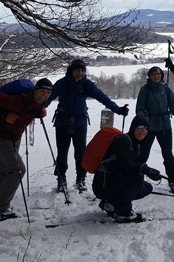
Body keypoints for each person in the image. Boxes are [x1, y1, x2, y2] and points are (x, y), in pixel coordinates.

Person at [47, 59, 130, 193]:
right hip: (62, 123)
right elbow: (48, 97)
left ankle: (81, 178)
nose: (80, 73)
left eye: (82, 70)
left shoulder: (86, 84)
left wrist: (118, 109)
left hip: (80, 123)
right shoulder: (62, 83)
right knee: (62, 153)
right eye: (77, 70)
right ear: (71, 71)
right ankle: (61, 178)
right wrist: (39, 108)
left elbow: (102, 97)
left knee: (81, 153)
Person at [0, 78, 52, 220]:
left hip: (14, 138)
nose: (44, 95)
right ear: (35, 90)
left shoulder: (38, 104)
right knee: (17, 170)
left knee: (3, 169)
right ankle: (2, 208)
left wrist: (39, 112)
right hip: (0, 137)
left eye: (47, 93)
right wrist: (4, 116)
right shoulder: (18, 101)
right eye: (41, 91)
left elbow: (29, 111)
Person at [92, 114, 163, 222]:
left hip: (110, 182)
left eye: (146, 129)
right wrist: (144, 170)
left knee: (146, 188)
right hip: (103, 185)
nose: (143, 131)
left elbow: (130, 165)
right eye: (140, 127)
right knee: (137, 178)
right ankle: (123, 212)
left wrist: (148, 170)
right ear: (133, 127)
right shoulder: (123, 141)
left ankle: (110, 204)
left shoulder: (135, 144)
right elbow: (124, 165)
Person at [134, 66, 174, 194]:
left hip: (165, 126)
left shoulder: (166, 90)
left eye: (158, 74)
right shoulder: (145, 90)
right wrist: (143, 115)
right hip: (149, 127)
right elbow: (139, 109)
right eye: (153, 74)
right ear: (150, 76)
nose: (156, 76)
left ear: (161, 76)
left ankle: (173, 181)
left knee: (168, 155)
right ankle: (135, 179)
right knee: (142, 154)